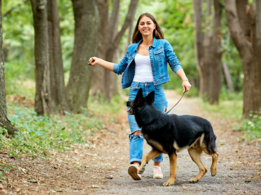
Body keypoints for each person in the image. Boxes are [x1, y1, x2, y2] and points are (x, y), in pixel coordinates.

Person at [89, 13, 191, 180]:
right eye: (141, 23)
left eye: (148, 23)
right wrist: (99, 60)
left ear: (154, 26)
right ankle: (135, 165)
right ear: (138, 27)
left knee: (160, 131)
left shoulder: (163, 45)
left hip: (156, 93)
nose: (145, 25)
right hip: (135, 94)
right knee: (136, 130)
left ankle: (157, 166)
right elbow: (119, 69)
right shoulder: (132, 48)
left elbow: (174, 63)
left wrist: (184, 79)